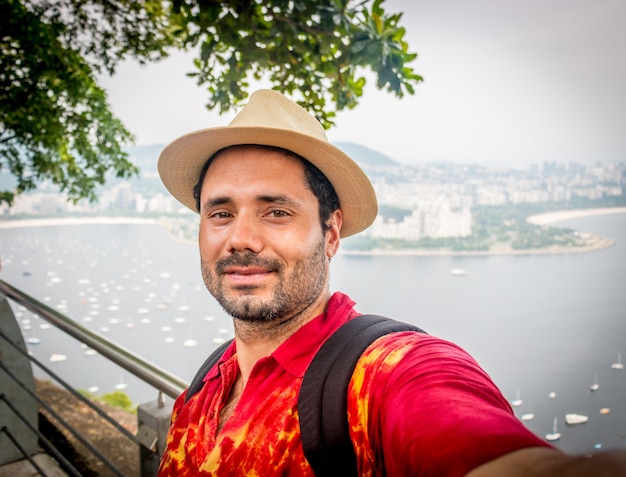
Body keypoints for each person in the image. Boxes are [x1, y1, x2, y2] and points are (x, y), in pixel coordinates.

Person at [156, 89, 626, 476]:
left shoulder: (383, 374)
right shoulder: (206, 384)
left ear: (331, 232)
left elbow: (474, 440)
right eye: (220, 213)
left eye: (276, 212)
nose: (241, 239)